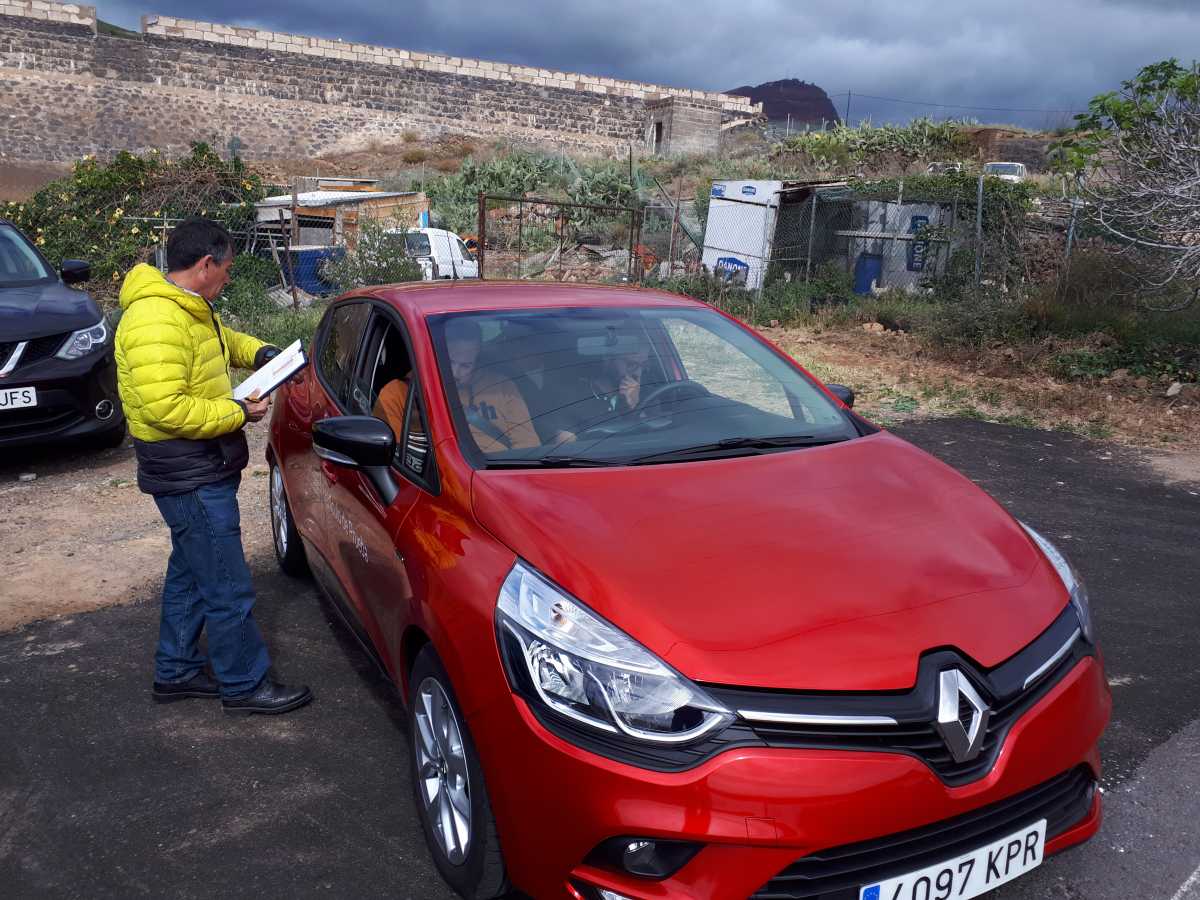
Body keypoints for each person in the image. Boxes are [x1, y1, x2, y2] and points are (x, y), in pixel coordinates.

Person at [114, 217, 312, 716]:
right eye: (226, 268)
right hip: (188, 471)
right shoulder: (156, 320)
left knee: (191, 572)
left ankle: (176, 670)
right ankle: (244, 684)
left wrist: (262, 353)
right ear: (206, 265)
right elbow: (165, 408)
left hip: (198, 466)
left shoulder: (186, 307)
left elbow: (221, 341)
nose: (228, 277)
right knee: (226, 583)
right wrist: (237, 412)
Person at [445, 318, 540, 453]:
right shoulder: (428, 387)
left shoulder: (502, 386)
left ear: (477, 360)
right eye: (449, 362)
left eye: (465, 366)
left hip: (501, 463)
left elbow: (527, 444)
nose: (455, 373)